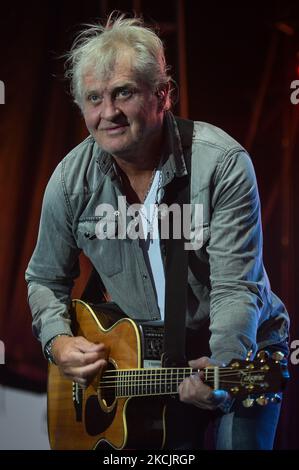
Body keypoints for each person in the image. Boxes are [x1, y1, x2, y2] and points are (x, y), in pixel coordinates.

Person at [25, 13, 289, 450]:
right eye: (94, 98)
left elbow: (235, 288)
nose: (107, 112)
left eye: (123, 93)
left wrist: (223, 365)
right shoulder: (70, 179)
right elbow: (44, 278)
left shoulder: (221, 163)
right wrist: (58, 341)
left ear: (163, 94)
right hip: (141, 366)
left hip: (237, 354)